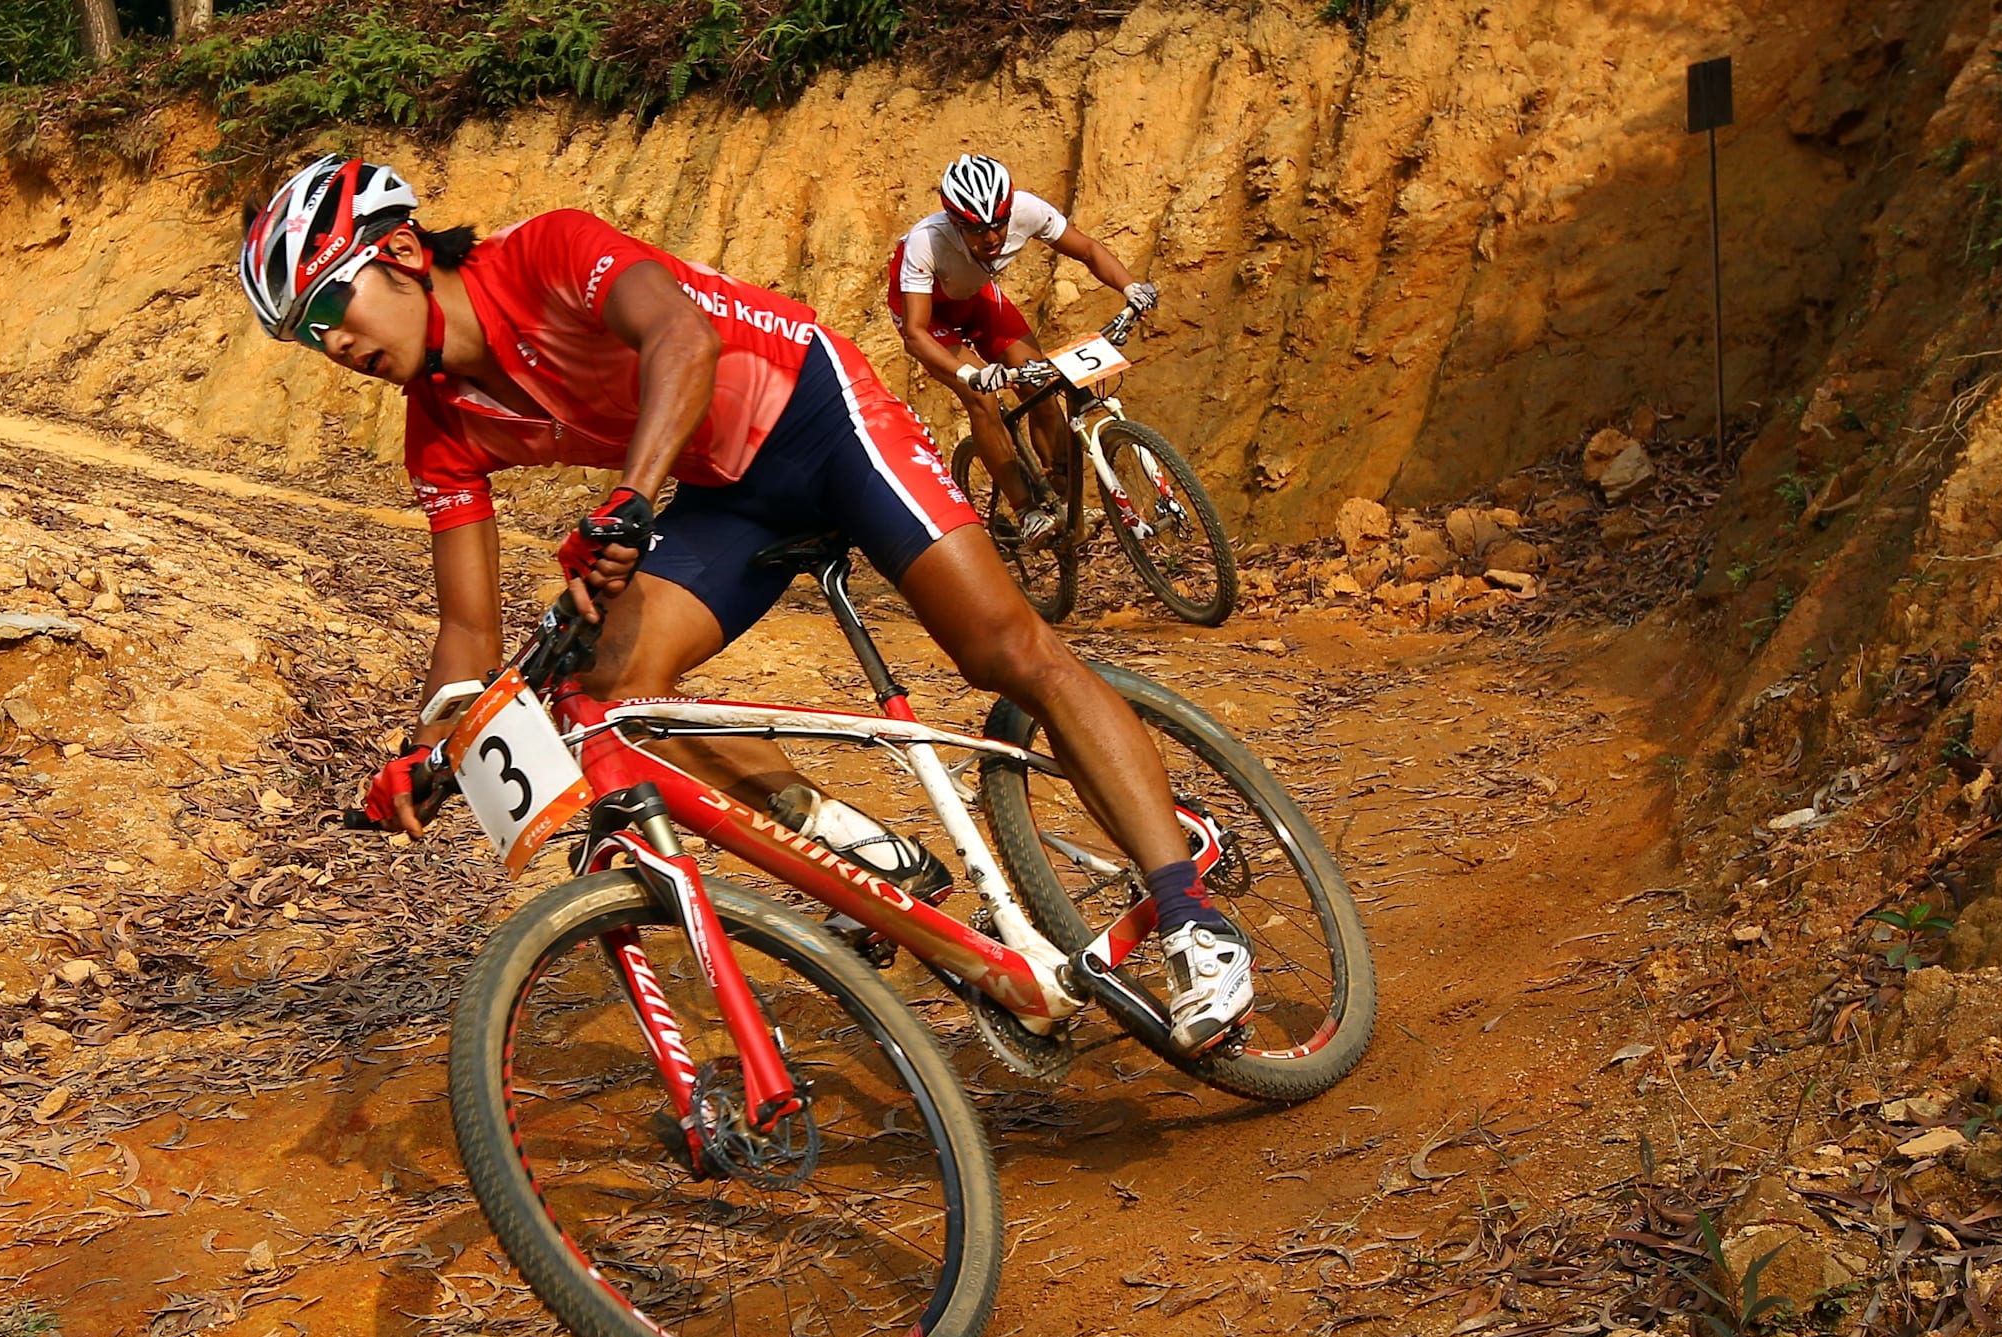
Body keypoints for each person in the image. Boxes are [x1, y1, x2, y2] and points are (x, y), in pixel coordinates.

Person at [236, 154, 1250, 1046]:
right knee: (606, 690)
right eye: (304, 336)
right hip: (729, 490)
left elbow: (680, 338)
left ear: (405, 253)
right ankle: (860, 848)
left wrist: (629, 501)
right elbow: (466, 626)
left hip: (818, 414)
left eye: (329, 308)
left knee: (1005, 653)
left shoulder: (544, 254)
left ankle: (1191, 915)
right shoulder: (439, 428)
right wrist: (433, 745)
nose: (330, 345)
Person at [886, 153, 1158, 546]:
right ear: (955, 223)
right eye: (977, 230)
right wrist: (970, 373)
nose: (992, 237)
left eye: (998, 224)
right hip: (927, 316)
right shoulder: (926, 242)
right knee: (982, 398)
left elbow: (1088, 250)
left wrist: (1131, 287)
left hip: (975, 296)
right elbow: (914, 332)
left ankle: (1060, 500)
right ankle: (1026, 511)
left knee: (1041, 381)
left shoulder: (1028, 209)